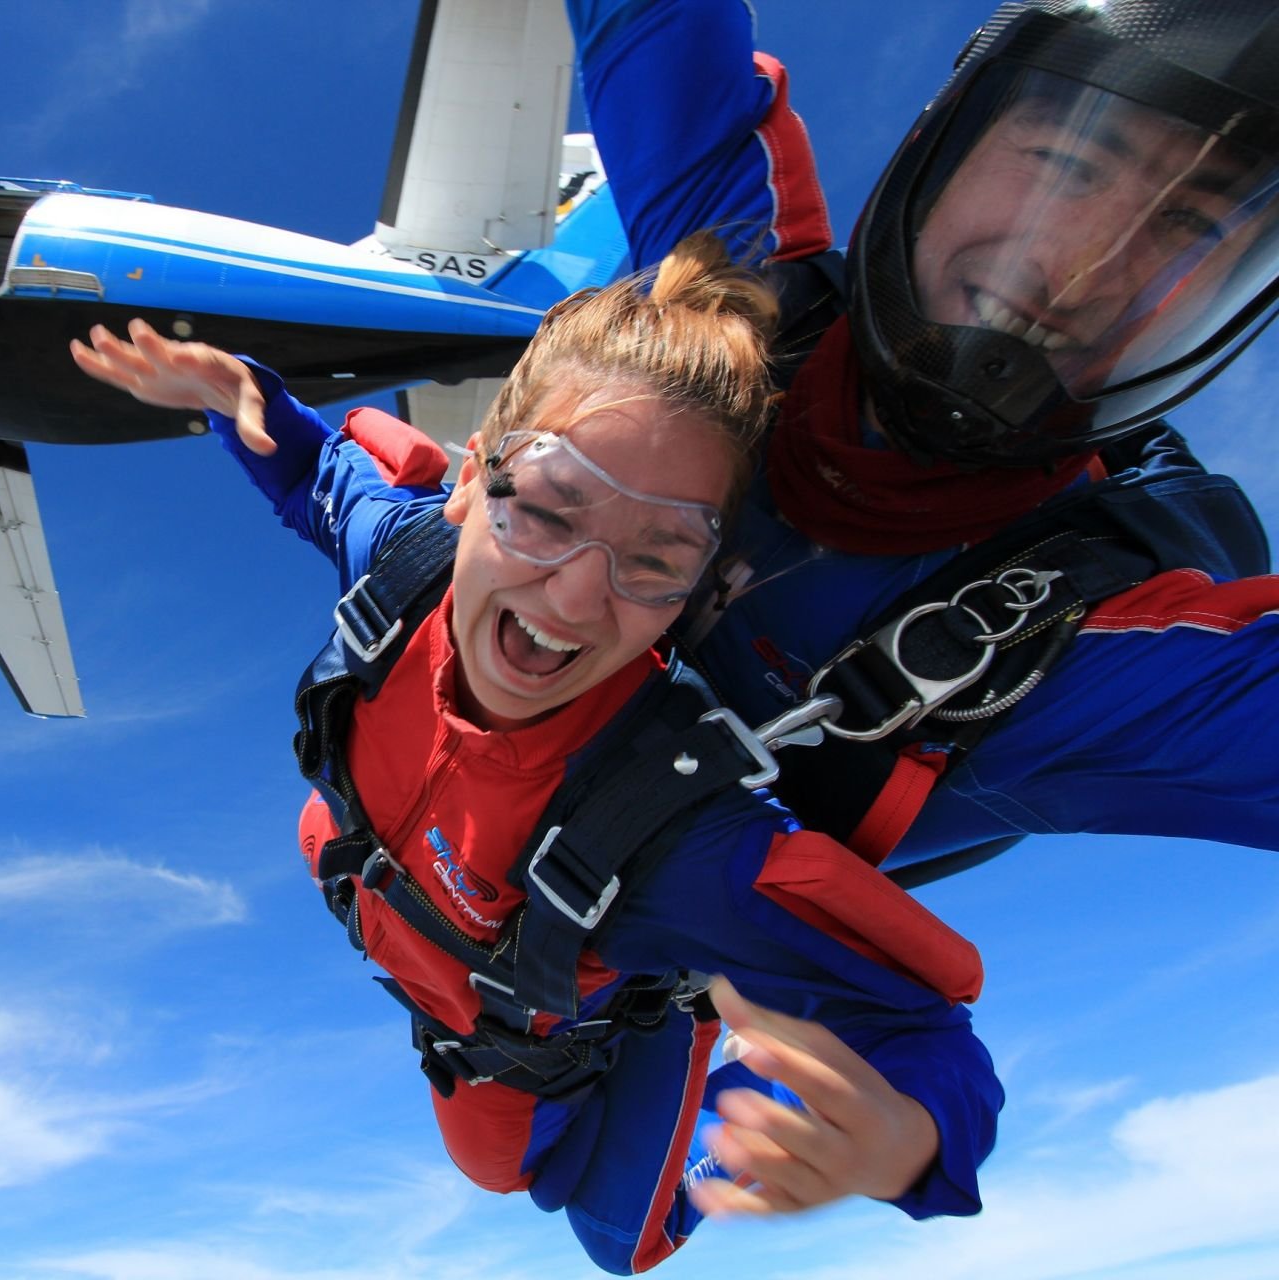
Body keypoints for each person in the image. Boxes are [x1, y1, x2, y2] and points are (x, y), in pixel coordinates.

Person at [72, 235, 1003, 1274]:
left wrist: (908, 1136)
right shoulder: (407, 563)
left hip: (523, 1021)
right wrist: (238, 396)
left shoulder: (678, 834)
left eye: (657, 561)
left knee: (616, 1238)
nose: (575, 594)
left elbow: (926, 1023)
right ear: (471, 479)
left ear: (698, 589)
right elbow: (318, 477)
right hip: (451, 984)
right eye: (549, 509)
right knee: (491, 1163)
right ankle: (654, 984)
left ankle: (686, 1000)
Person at [566, 0, 1279, 876]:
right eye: (1065, 161)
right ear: (942, 149)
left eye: (1189, 228)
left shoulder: (1095, 659)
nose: (1077, 268)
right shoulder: (730, 290)